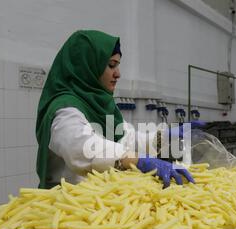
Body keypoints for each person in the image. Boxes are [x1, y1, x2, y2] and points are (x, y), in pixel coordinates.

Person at [36, 30, 197, 189]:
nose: (118, 74)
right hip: (69, 204)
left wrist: (163, 137)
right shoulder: (65, 108)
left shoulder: (103, 104)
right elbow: (81, 147)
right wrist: (137, 161)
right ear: (87, 66)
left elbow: (125, 138)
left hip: (101, 201)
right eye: (111, 65)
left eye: (117, 66)